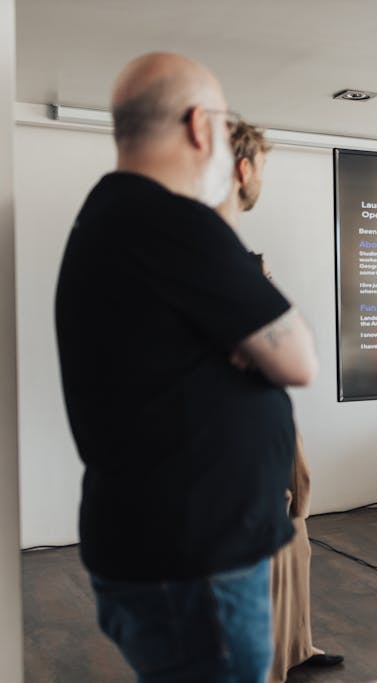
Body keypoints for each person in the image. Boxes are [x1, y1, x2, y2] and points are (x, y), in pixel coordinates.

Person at [54, 52, 318, 682]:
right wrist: (256, 346)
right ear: (202, 125)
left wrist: (252, 344)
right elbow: (300, 357)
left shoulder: (112, 215)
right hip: (196, 567)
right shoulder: (171, 220)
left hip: (167, 552)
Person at [216, 120, 344, 680]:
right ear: (243, 168)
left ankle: (299, 647)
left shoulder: (237, 258)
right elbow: (295, 356)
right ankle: (269, 661)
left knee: (297, 543)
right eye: (262, 164)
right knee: (266, 555)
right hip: (242, 446)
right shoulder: (216, 259)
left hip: (271, 431)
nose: (262, 175)